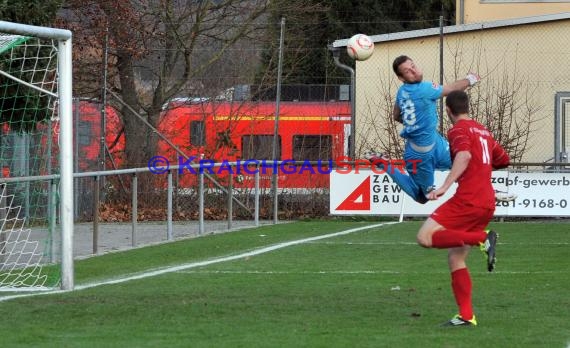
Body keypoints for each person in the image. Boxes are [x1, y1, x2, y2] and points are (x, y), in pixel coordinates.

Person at [418, 90, 510, 326]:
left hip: (468, 199)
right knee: (456, 258)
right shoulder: (483, 131)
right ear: (468, 106)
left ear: (448, 110)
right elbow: (502, 159)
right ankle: (467, 316)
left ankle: (482, 239)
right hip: (486, 201)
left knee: (425, 237)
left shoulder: (458, 129)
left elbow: (465, 156)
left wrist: (445, 186)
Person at [366, 55, 481, 204]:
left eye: (413, 66)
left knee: (465, 163)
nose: (413, 71)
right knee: (423, 197)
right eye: (408, 71)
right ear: (402, 78)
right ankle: (383, 163)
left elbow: (396, 115)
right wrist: (471, 79)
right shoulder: (425, 89)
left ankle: (483, 190)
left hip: (435, 142)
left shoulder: (402, 91)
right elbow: (451, 89)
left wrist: (414, 123)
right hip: (420, 156)